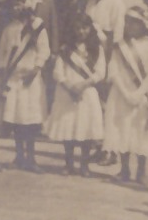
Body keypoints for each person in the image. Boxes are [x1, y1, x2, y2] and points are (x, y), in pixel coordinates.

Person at [104, 5, 148, 185]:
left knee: (140, 130)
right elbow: (113, 71)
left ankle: (141, 170)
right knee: (123, 128)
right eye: (127, 22)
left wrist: (139, 93)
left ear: (142, 24)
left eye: (134, 23)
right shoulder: (119, 46)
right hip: (121, 94)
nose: (129, 26)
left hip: (142, 94)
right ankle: (125, 169)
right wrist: (126, 93)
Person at [44, 12, 106, 176]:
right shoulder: (65, 49)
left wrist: (83, 85)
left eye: (84, 28)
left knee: (86, 129)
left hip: (87, 92)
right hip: (67, 92)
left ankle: (84, 165)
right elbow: (57, 72)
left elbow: (100, 72)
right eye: (77, 28)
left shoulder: (97, 49)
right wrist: (69, 86)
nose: (81, 31)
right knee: (69, 128)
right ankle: (68, 164)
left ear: (90, 29)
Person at [0, 0, 51, 173]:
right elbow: (3, 54)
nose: (16, 8)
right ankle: (19, 156)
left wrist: (36, 69)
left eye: (19, 3)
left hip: (31, 79)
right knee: (17, 120)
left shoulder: (37, 26)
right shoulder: (9, 28)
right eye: (13, 5)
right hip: (13, 79)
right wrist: (2, 76)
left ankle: (32, 158)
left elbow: (44, 50)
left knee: (31, 120)